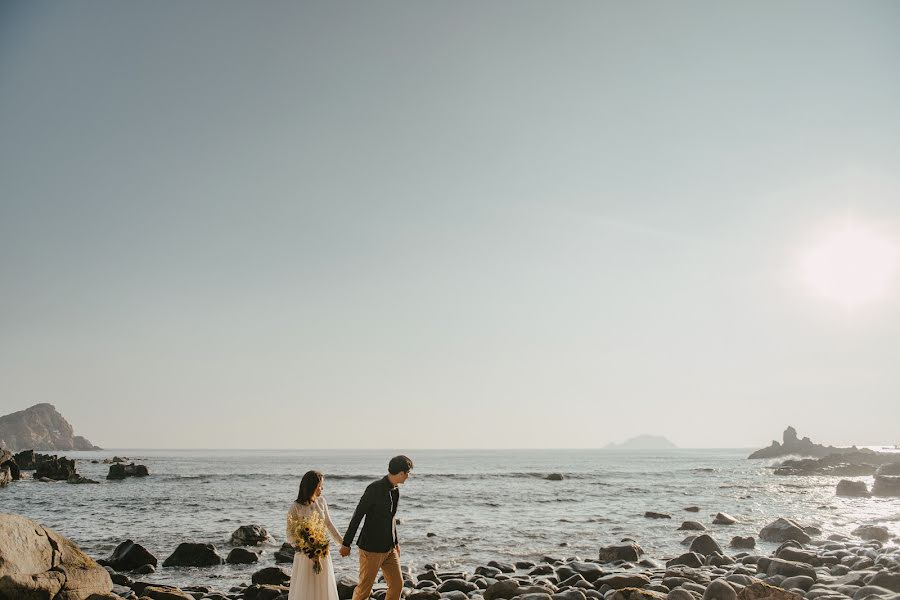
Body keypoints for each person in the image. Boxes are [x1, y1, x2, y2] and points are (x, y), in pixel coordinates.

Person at [340, 455, 414, 600]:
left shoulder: (395, 490)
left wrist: (396, 542)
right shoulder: (374, 489)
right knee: (364, 590)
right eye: (408, 473)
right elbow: (358, 515)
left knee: (397, 584)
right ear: (401, 473)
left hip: (389, 548)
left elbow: (391, 518)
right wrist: (346, 543)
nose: (408, 476)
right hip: (371, 549)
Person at [286, 470, 345, 600]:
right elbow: (290, 535)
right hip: (305, 557)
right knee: (305, 589)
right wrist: (307, 549)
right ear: (312, 486)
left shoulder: (322, 501)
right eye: (320, 486)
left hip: (322, 553)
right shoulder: (295, 507)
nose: (322, 489)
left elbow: (329, 524)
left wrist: (343, 543)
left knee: (323, 588)